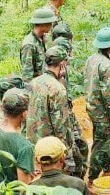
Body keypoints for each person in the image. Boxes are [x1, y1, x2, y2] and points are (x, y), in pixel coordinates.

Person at [26, 46, 77, 174]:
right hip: (50, 148)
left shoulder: (33, 82)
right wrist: (65, 150)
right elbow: (61, 124)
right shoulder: (57, 89)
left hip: (33, 144)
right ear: (62, 64)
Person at [84, 27, 110, 180]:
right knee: (101, 145)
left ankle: (107, 170)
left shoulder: (92, 59)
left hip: (91, 107)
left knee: (108, 140)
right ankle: (92, 178)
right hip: (102, 112)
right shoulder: (106, 65)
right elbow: (109, 96)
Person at [53, 36, 88, 180]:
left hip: (69, 117)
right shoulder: (52, 81)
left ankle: (79, 182)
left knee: (82, 147)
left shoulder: (62, 73)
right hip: (62, 124)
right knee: (71, 159)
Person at [21, 7, 55, 81]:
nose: (51, 26)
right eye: (50, 23)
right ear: (43, 24)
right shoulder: (29, 44)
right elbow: (27, 76)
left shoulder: (43, 39)